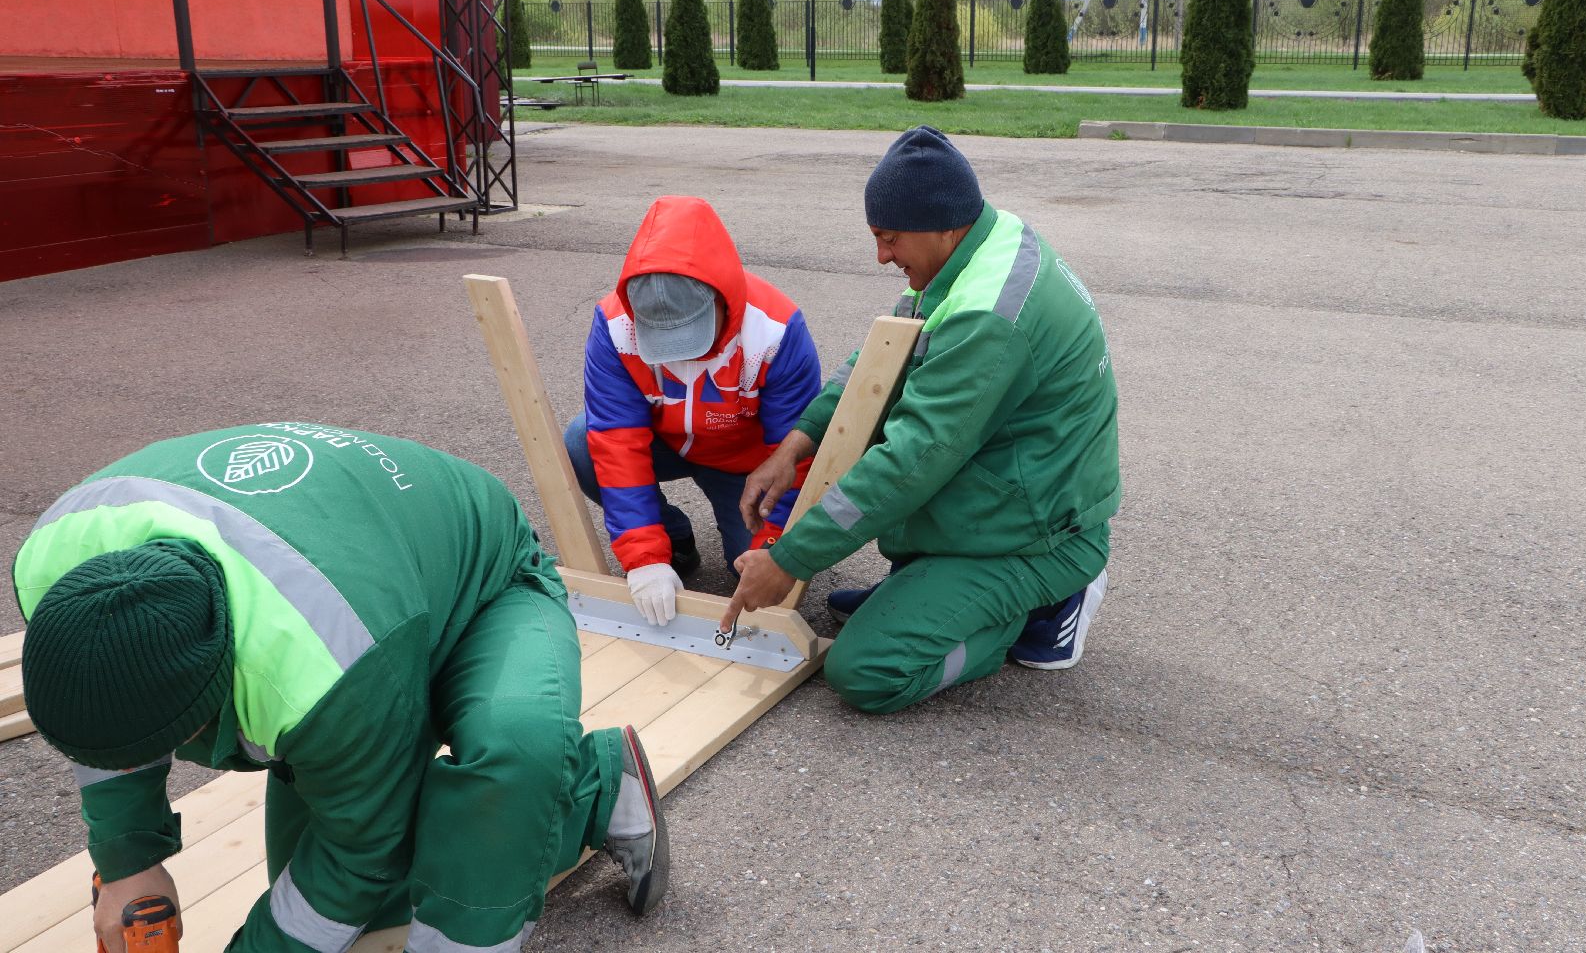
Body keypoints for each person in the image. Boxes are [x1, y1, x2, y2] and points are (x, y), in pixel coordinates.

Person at [14, 421, 669, 953]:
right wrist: (127, 860)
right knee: (353, 895)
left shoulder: (317, 665)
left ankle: (599, 783)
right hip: (371, 584)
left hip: (484, 584)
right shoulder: (58, 567)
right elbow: (107, 694)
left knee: (508, 764)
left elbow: (358, 857)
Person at [722, 125, 1121, 714]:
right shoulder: (978, 246)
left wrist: (789, 560)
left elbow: (913, 460)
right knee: (898, 413)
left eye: (889, 239)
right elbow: (882, 360)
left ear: (944, 226)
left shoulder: (988, 316)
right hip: (1011, 491)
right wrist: (796, 444)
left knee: (866, 671)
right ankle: (928, 593)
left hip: (1042, 536)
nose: (881, 255)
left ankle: (1033, 611)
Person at [564, 195, 823, 626]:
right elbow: (617, 440)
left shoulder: (775, 328)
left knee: (758, 578)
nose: (681, 355)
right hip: (663, 444)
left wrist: (774, 545)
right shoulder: (615, 325)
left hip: (748, 466)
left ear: (723, 297)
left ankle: (733, 532)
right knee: (582, 441)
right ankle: (672, 537)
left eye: (692, 334)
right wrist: (643, 556)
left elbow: (794, 453)